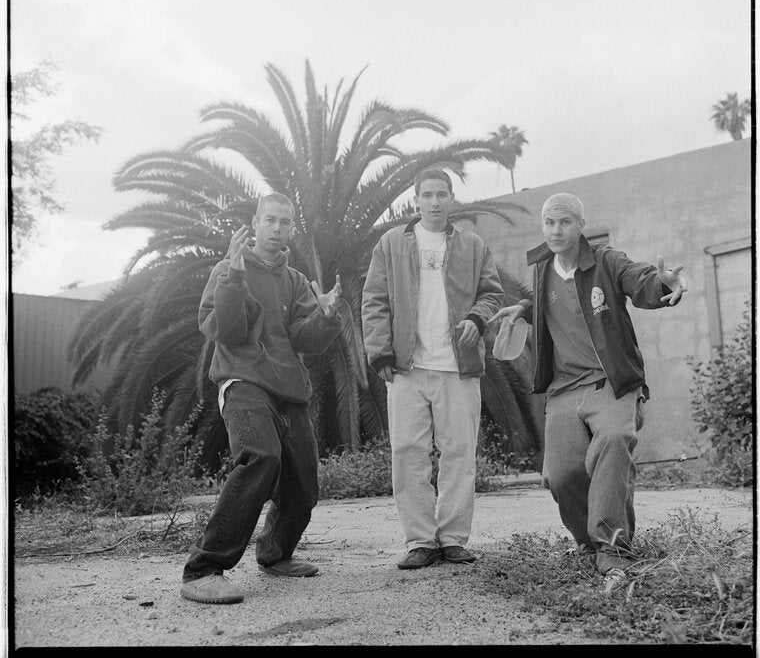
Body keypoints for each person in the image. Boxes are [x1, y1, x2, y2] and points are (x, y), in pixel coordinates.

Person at [489, 192, 687, 593]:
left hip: (610, 382)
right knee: (560, 475)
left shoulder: (606, 261)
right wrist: (523, 311)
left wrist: (663, 283)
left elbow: (640, 280)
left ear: (580, 225)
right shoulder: (543, 268)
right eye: (549, 222)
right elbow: (553, 301)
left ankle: (613, 547)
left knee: (613, 442)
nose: (556, 230)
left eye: (564, 222)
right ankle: (589, 543)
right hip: (564, 388)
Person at [181, 192, 342, 604]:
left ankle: (275, 553)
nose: (276, 228)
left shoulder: (295, 280)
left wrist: (324, 316)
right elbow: (226, 331)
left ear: (291, 229)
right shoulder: (225, 269)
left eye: (284, 222)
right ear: (254, 223)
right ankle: (203, 569)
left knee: (303, 482)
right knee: (261, 456)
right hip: (242, 381)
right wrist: (233, 278)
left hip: (288, 387)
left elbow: (305, 340)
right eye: (269, 220)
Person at [361, 168, 503, 570]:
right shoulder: (390, 244)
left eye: (442, 194)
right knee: (408, 454)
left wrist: (477, 318)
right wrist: (380, 353)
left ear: (451, 199)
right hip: (408, 368)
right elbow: (373, 300)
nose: (435, 202)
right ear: (416, 201)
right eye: (428, 195)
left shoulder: (473, 245)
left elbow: (492, 292)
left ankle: (454, 538)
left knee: (459, 453)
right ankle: (421, 540)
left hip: (459, 368)